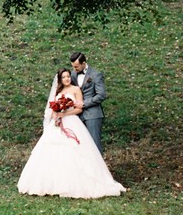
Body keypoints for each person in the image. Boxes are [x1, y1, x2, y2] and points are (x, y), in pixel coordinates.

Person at [17, 68, 126, 199]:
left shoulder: (75, 90)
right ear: (60, 79)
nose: (67, 79)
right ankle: (52, 182)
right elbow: (52, 108)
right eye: (64, 77)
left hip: (72, 122)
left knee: (74, 149)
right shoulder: (58, 91)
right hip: (57, 123)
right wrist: (56, 116)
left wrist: (65, 113)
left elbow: (79, 108)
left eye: (68, 76)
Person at [70, 51, 106, 154]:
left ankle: (98, 170)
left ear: (84, 63)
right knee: (80, 146)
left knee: (94, 146)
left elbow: (101, 95)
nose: (74, 69)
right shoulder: (72, 74)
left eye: (76, 67)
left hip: (93, 115)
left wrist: (84, 103)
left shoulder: (95, 74)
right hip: (77, 116)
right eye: (73, 66)